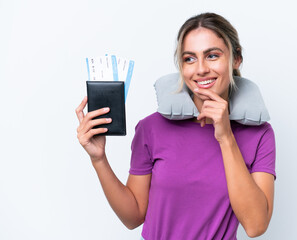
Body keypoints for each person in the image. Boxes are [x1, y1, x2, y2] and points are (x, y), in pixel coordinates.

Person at [76, 12, 276, 240]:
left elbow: (255, 225)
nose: (201, 69)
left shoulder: (259, 135)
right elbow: (133, 217)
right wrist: (98, 159)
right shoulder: (151, 128)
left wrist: (226, 137)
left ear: (236, 59)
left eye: (212, 56)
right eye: (189, 59)